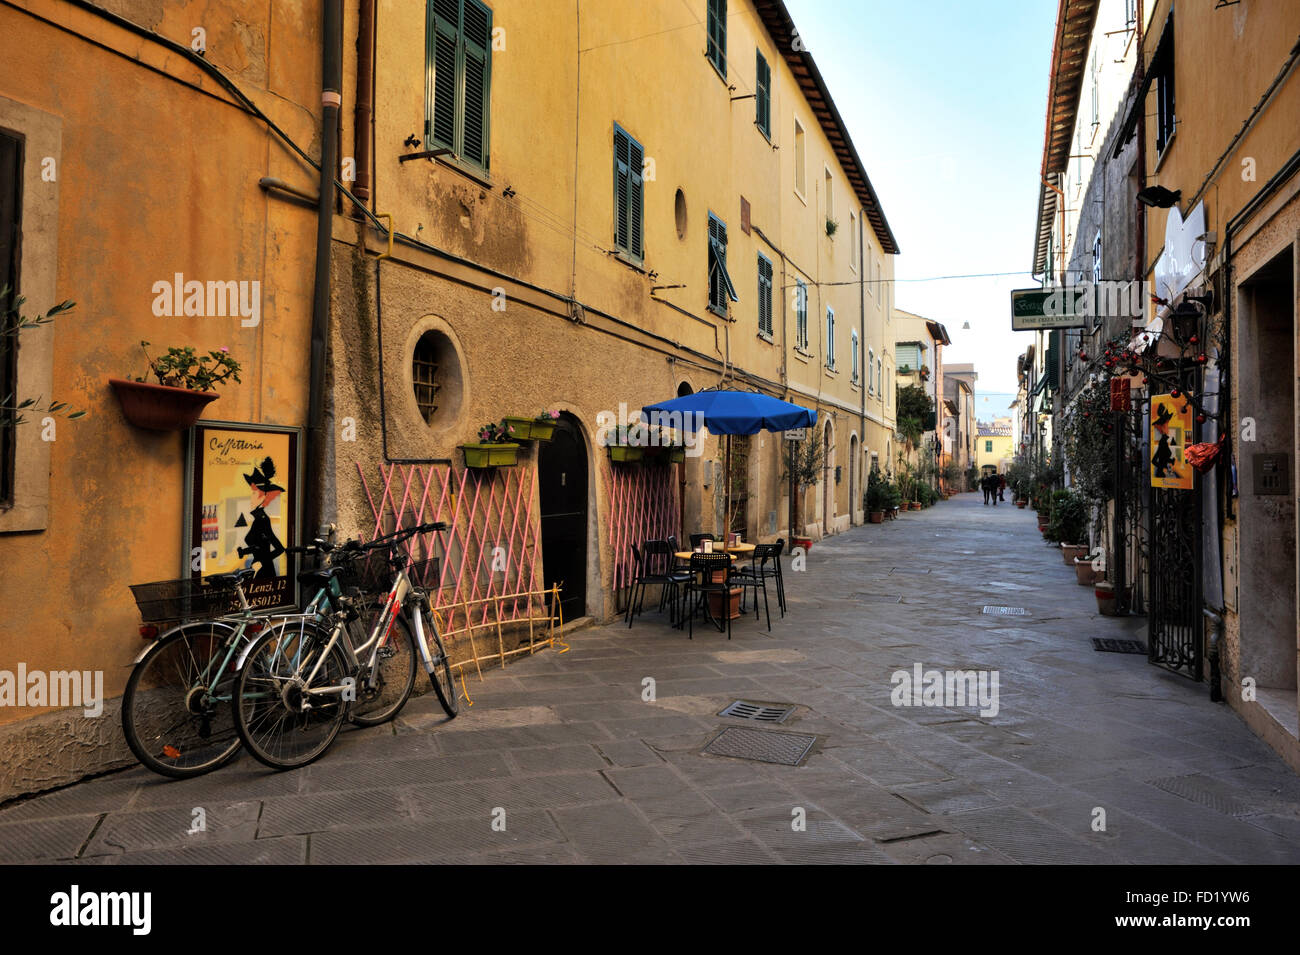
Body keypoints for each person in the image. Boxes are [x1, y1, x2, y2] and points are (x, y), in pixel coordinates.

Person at [238, 456, 286, 581]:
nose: (250, 497)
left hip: (263, 571)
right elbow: (258, 546)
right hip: (258, 568)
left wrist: (262, 560)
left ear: (262, 497)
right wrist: (244, 552)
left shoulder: (263, 520)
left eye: (254, 493)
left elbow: (279, 548)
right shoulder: (258, 519)